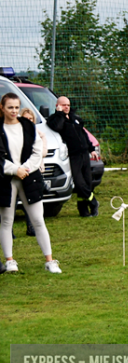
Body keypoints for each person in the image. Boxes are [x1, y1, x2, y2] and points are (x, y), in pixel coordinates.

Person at [0, 93, 61, 274]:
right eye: (10, 107)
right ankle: (10, 260)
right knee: (6, 221)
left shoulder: (27, 125)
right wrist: (14, 170)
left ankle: (50, 260)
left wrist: (24, 169)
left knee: (38, 220)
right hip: (6, 180)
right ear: (2, 108)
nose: (14, 111)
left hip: (29, 178)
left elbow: (37, 152)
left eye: (17, 107)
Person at [47, 96, 99, 217]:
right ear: (57, 106)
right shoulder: (54, 119)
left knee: (87, 182)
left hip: (84, 154)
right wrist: (59, 114)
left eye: (68, 105)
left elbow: (83, 135)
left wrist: (92, 149)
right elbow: (57, 127)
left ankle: (83, 210)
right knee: (79, 182)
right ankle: (93, 202)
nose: (67, 107)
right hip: (73, 156)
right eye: (64, 105)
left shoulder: (75, 119)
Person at [19, 108, 46, 237]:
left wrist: (37, 163)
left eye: (30, 119)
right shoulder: (15, 133)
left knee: (32, 200)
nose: (28, 121)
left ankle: (31, 227)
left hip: (32, 170)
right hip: (17, 171)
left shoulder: (37, 133)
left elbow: (42, 152)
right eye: (26, 119)